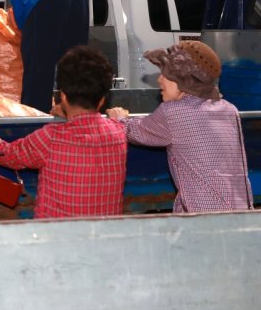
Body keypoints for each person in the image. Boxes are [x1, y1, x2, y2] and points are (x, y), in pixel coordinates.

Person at [0, 46, 127, 218]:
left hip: (55, 240)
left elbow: (5, 154)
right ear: (102, 99)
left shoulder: (51, 137)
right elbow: (98, 125)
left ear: (63, 96)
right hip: (103, 239)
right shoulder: (119, 133)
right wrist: (118, 118)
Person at [107, 41, 252, 212]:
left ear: (185, 80)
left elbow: (135, 131)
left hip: (201, 218)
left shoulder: (174, 112)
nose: (160, 80)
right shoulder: (229, 109)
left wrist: (120, 118)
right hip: (240, 211)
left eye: (167, 75)